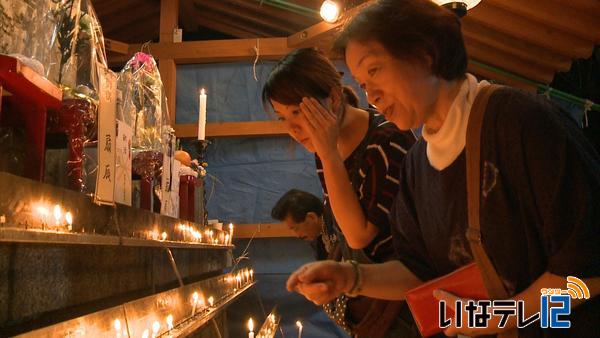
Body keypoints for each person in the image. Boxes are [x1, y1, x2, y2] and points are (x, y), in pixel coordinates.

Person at [286, 1, 600, 337]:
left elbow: (589, 278)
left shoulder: (520, 121)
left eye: (374, 70)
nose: (371, 96)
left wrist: (506, 315)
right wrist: (351, 278)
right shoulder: (418, 165)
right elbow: (419, 271)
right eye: (362, 84)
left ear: (425, 53)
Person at [263, 47, 419, 337]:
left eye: (298, 112)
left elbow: (358, 235)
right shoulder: (326, 148)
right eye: (282, 117)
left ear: (333, 98)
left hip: (409, 303)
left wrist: (328, 154)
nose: (293, 128)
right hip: (374, 300)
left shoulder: (386, 140)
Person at [271, 189, 330, 260]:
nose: (297, 235)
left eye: (296, 228)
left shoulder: (338, 223)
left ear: (311, 217)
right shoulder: (318, 239)